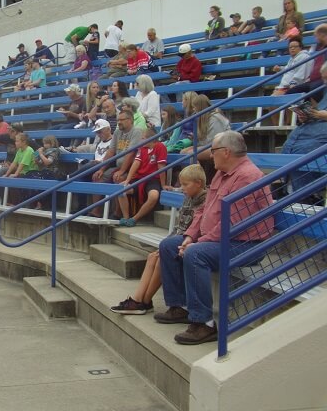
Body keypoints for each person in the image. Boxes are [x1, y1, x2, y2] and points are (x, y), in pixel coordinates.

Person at [156, 131, 274, 345]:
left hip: (245, 244)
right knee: (168, 245)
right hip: (218, 239)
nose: (210, 155)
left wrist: (198, 242)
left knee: (195, 254)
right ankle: (180, 307)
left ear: (226, 152)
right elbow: (203, 211)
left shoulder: (247, 176)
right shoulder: (221, 173)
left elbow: (233, 223)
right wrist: (191, 235)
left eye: (213, 150)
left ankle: (204, 324)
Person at [110, 164, 207, 314]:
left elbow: (197, 229)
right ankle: (139, 300)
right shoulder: (188, 198)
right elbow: (179, 226)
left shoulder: (205, 200)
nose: (182, 188)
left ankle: (143, 302)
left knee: (161, 257)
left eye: (185, 185)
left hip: (193, 241)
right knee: (152, 256)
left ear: (199, 183)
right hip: (180, 238)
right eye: (181, 184)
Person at [281, 62, 327, 199]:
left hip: (318, 138)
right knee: (288, 146)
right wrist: (307, 116)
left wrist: (322, 115)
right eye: (324, 78)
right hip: (308, 131)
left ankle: (308, 195)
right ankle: (291, 191)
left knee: (304, 151)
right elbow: (319, 112)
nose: (325, 82)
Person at [91, 110, 143, 217]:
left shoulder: (137, 131)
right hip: (118, 166)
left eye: (122, 120)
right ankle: (96, 211)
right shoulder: (117, 132)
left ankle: (117, 214)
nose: (119, 122)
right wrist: (101, 169)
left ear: (130, 120)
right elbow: (111, 151)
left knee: (119, 179)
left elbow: (131, 153)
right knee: (97, 177)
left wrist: (122, 171)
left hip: (132, 168)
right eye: (118, 120)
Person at [116, 127, 167, 227]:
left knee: (154, 196)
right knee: (121, 190)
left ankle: (135, 219)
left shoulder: (160, 147)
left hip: (153, 180)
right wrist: (127, 180)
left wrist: (163, 185)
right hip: (139, 179)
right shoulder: (142, 148)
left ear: (151, 138)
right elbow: (136, 163)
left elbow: (161, 168)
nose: (141, 140)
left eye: (143, 138)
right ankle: (126, 218)